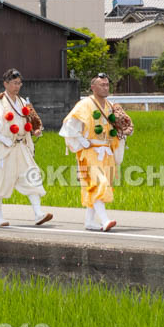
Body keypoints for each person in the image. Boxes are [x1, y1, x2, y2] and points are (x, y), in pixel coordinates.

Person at [0, 69, 52, 227]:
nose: (17, 86)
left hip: (21, 147)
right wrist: (4, 139)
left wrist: (34, 130)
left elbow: (28, 120)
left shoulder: (23, 102)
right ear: (6, 84)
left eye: (19, 83)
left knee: (31, 176)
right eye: (14, 83)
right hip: (4, 148)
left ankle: (38, 213)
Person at [59, 73, 132, 231]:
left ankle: (90, 221)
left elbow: (118, 126)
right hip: (90, 151)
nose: (105, 87)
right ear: (93, 87)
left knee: (94, 187)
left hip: (107, 151)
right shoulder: (84, 105)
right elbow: (69, 125)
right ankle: (105, 220)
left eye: (107, 85)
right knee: (99, 183)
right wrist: (81, 140)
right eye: (102, 85)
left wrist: (125, 129)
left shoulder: (110, 106)